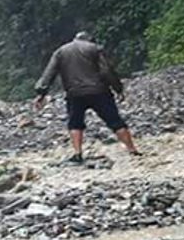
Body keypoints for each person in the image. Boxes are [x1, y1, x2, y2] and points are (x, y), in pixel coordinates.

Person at [34, 32, 139, 163]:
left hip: (74, 93)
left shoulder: (60, 51)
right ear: (90, 40)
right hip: (99, 91)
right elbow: (106, 70)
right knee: (114, 120)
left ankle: (78, 153)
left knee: (75, 123)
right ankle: (132, 149)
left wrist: (41, 93)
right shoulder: (95, 48)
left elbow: (49, 73)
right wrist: (118, 88)